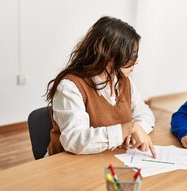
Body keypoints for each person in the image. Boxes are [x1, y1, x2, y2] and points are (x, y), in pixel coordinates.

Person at [45, 16, 156, 158]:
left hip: (104, 159)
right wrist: (127, 129)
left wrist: (137, 129)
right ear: (109, 56)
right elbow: (75, 139)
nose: (137, 61)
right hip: (66, 166)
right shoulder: (70, 87)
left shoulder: (124, 81)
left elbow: (145, 113)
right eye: (132, 56)